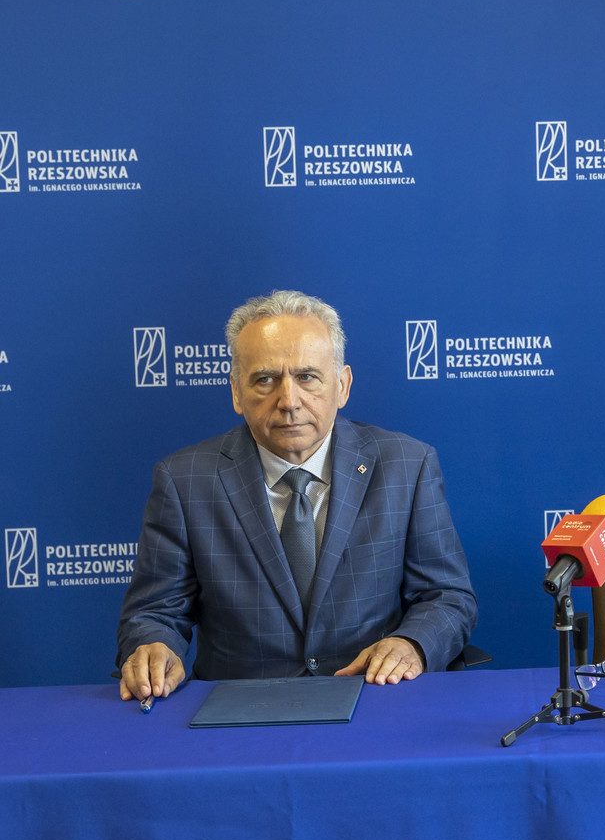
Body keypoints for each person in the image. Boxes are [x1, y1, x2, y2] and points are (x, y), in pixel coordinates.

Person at [116, 290, 477, 700]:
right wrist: (154, 647)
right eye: (265, 380)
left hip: (374, 698)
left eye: (307, 377)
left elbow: (447, 597)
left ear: (342, 386)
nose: (288, 401)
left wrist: (412, 644)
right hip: (240, 712)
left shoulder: (407, 466)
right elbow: (155, 612)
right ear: (236, 392)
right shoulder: (184, 480)